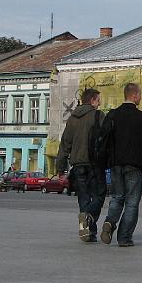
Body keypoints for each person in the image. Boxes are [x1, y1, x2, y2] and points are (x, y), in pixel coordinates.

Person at [100, 82, 142, 247]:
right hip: (134, 163)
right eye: (140, 95)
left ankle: (110, 221)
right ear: (135, 95)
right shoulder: (141, 117)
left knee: (117, 197)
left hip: (115, 163)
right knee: (131, 201)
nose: (140, 97)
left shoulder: (112, 115)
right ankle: (124, 238)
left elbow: (104, 136)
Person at [56, 88, 107, 242]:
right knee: (100, 194)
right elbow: (106, 139)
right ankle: (89, 217)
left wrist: (60, 169)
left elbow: (64, 144)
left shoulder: (72, 119)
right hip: (94, 163)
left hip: (77, 165)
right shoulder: (98, 116)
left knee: (83, 198)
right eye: (98, 100)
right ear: (92, 100)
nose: (99, 103)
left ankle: (89, 232)